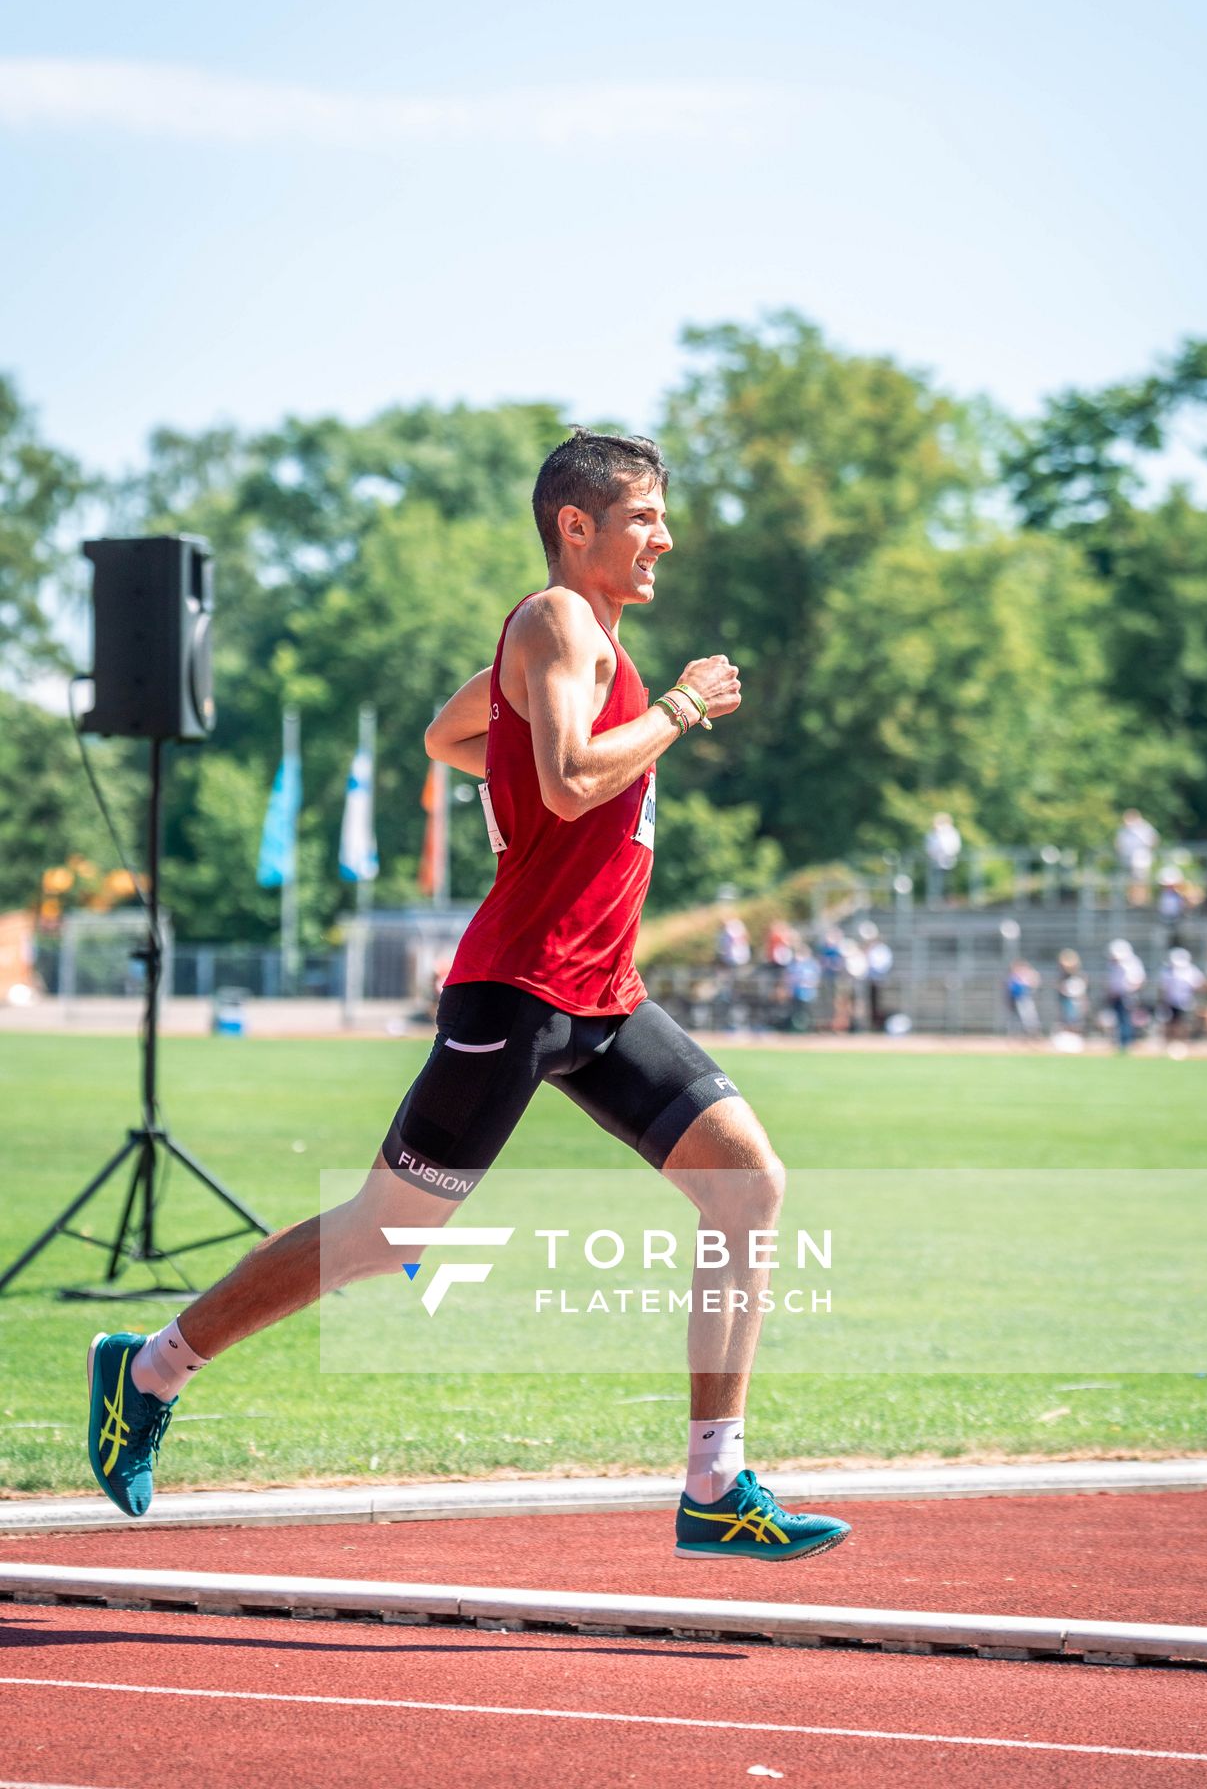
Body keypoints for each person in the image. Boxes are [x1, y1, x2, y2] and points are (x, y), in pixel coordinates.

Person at [84, 429, 849, 1565]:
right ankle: (147, 1369)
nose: (664, 538)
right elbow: (570, 777)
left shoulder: (590, 645)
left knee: (746, 1187)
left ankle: (714, 1481)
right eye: (643, 516)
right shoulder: (551, 620)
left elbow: (455, 735)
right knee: (383, 1236)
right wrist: (679, 710)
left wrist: (537, 754)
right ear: (575, 526)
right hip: (517, 992)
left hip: (598, 996)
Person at [1157, 946, 1205, 1049]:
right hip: (1170, 1002)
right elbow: (1163, 988)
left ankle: (1182, 1043)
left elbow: (1199, 985)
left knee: (1183, 1024)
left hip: (1186, 1002)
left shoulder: (1191, 970)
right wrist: (1163, 1001)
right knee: (1170, 1023)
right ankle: (1169, 1044)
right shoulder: (1167, 971)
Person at [1106, 938, 1146, 1050]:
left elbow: (1139, 979)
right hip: (1116, 995)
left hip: (1127, 995)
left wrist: (1130, 990)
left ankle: (1127, 1042)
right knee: (1118, 1019)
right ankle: (1121, 1042)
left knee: (1126, 1019)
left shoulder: (1132, 962)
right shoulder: (1112, 964)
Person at [1115, 809, 1158, 903]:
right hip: (1127, 858)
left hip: (1140, 858)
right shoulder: (1124, 829)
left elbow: (1154, 840)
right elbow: (1118, 843)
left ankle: (1142, 900)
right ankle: (1133, 900)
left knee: (1141, 880)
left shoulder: (1144, 827)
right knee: (1131, 881)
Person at [924, 812, 962, 903]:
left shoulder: (951, 832)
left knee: (949, 882)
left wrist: (948, 853)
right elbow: (929, 847)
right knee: (936, 882)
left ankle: (949, 900)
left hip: (949, 861)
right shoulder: (932, 834)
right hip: (936, 861)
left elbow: (954, 846)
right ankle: (936, 900)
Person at [1055, 949, 1088, 1034]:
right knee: (1067, 1019)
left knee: (1076, 1020)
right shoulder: (1063, 976)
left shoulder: (1079, 975)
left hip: (1076, 1000)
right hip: (1067, 999)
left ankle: (1074, 1035)